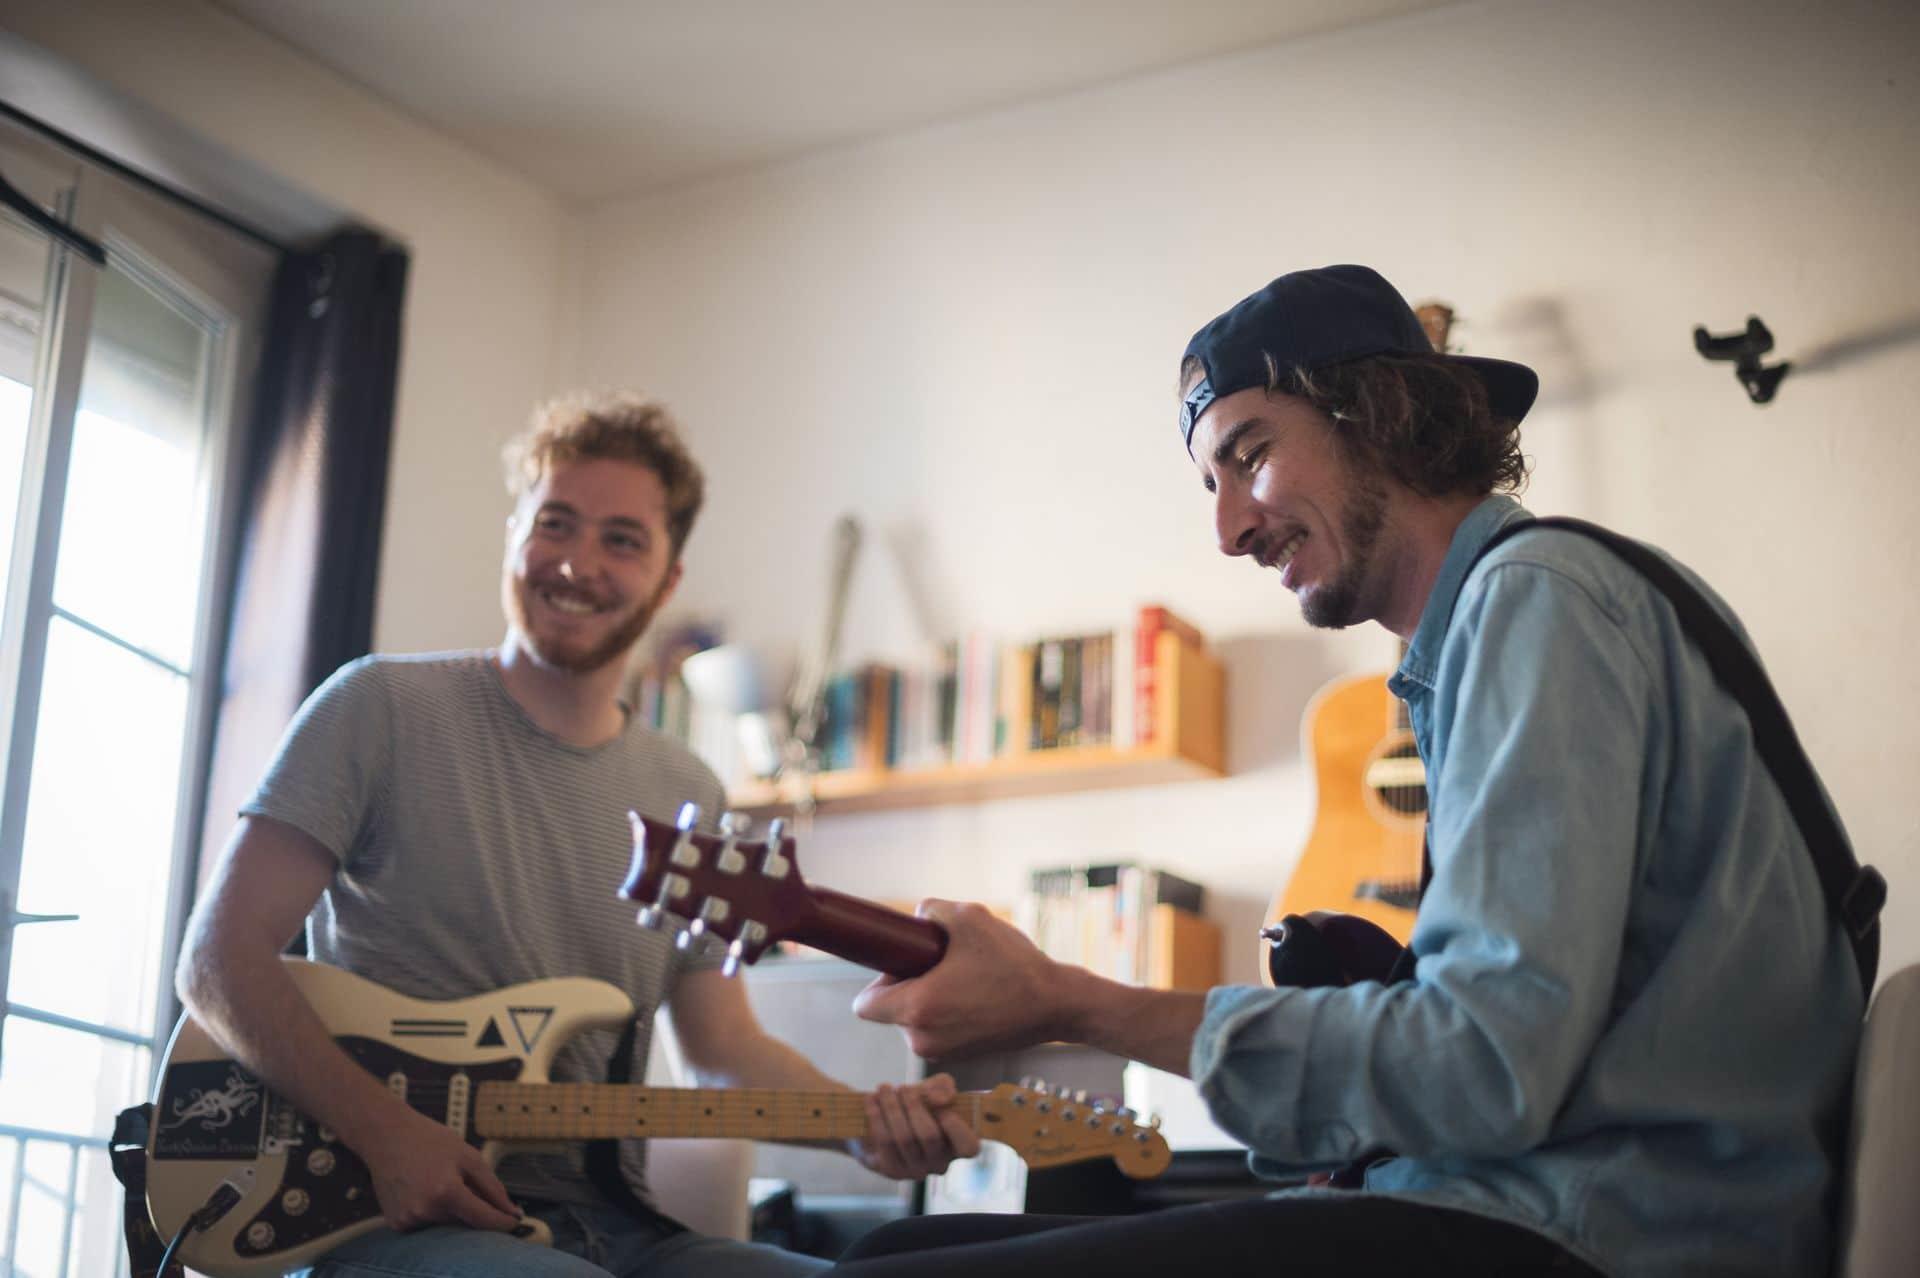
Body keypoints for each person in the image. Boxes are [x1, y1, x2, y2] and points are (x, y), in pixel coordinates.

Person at [846, 265, 1866, 1277]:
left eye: (1249, 457)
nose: (1229, 529)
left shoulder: (1539, 601)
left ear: (1378, 414)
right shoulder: (1514, 620)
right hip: (1537, 1205)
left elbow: (1482, 1063)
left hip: (1594, 1235)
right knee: (903, 1239)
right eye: (1212, 485)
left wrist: (1068, 999)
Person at [176, 392, 978, 1278]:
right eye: (554, 524)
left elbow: (724, 1051)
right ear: (515, 533)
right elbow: (217, 962)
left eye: (622, 540)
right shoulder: (378, 707)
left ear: (669, 581)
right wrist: (389, 1136)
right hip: (385, 1217)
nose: (577, 563)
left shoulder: (690, 794)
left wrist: (867, 1130)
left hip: (621, 1229)